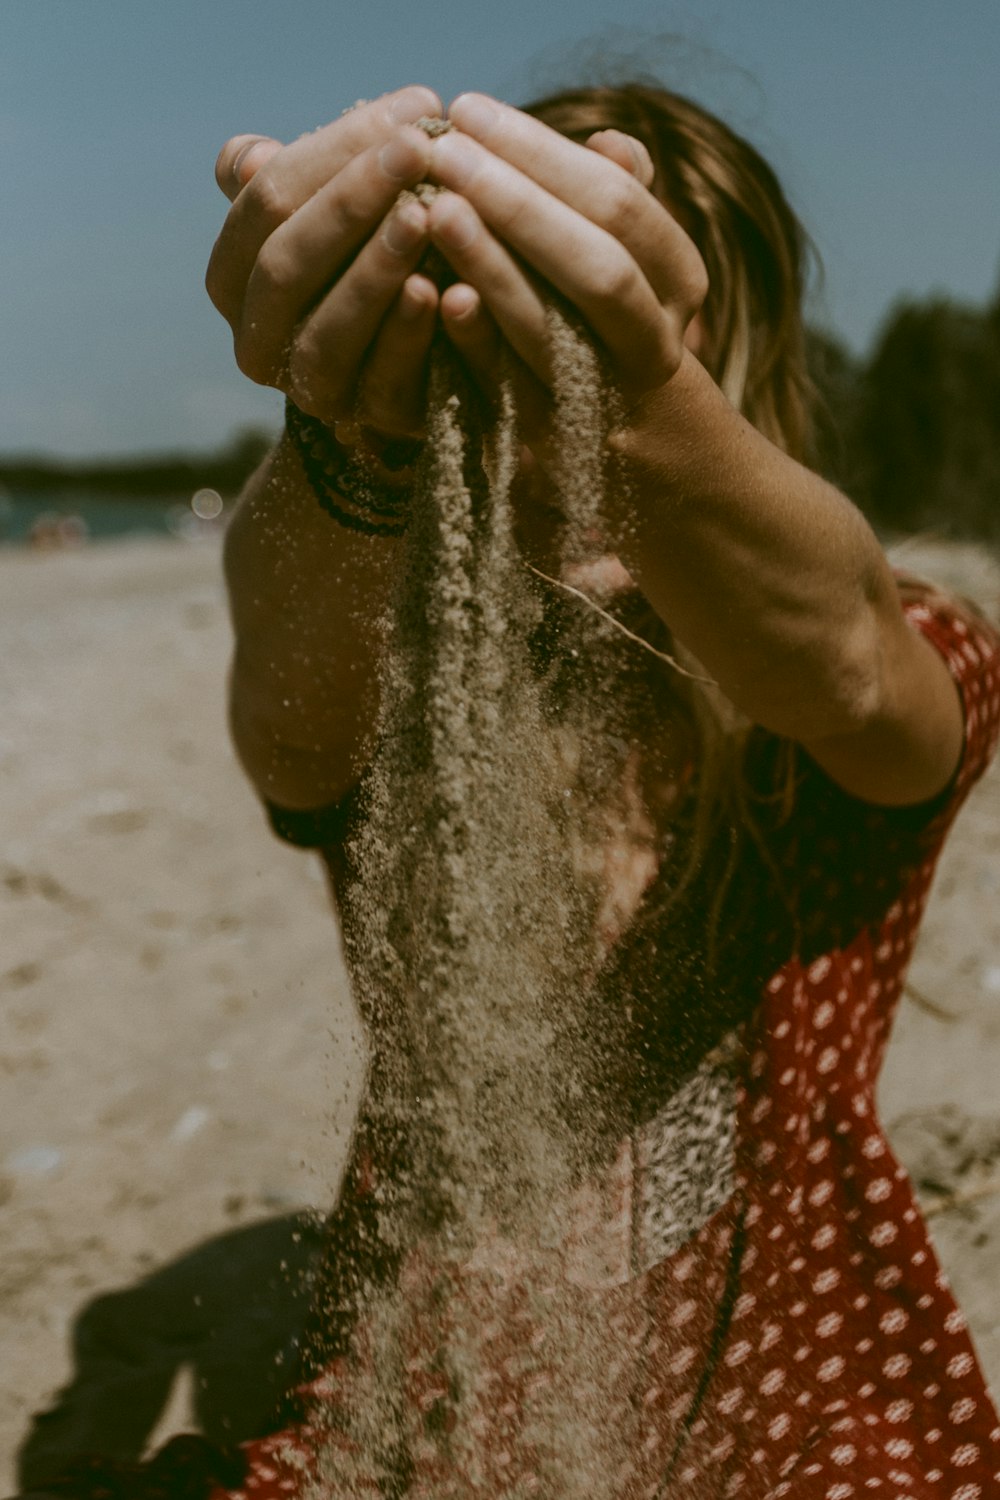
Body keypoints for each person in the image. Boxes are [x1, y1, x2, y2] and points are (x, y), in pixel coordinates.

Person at [202, 82, 1000, 1499]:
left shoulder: (886, 660)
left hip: (801, 1401)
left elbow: (855, 667)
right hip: (432, 1406)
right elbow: (283, 705)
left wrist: (631, 402)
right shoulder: (411, 677)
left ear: (741, 386)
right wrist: (352, 437)